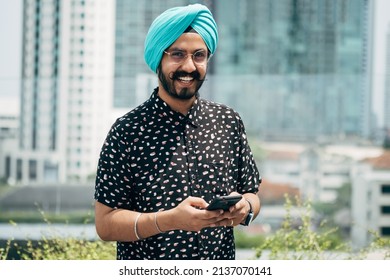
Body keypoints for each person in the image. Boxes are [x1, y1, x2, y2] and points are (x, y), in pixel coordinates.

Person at [94, 3, 262, 260]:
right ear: (158, 59)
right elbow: (105, 225)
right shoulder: (127, 131)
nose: (189, 66)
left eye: (199, 55)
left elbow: (251, 192)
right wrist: (170, 220)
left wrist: (245, 207)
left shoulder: (228, 121)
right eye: (177, 54)